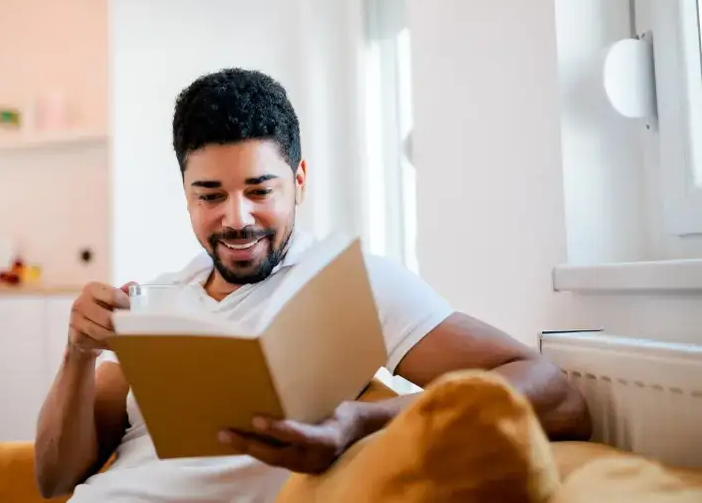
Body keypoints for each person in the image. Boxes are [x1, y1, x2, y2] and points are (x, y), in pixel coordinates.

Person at [34, 68, 591, 502]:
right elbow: (54, 478)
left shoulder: (350, 286)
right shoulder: (158, 301)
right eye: (209, 195)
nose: (237, 219)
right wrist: (78, 355)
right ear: (185, 193)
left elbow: (557, 395)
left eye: (260, 190)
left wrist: (361, 422)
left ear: (299, 180)